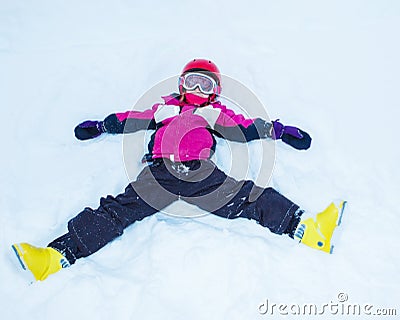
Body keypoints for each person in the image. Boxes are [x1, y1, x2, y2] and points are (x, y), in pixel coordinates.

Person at [12, 59, 345, 282]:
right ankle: (55, 257)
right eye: (193, 82)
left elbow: (244, 129)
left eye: (206, 85)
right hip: (157, 175)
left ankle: (308, 228)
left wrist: (280, 130)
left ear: (215, 93)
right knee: (114, 211)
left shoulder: (214, 115)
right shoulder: (164, 109)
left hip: (200, 173)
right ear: (182, 84)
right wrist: (101, 125)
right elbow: (132, 119)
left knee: (248, 198)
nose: (198, 91)